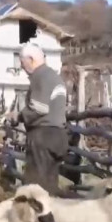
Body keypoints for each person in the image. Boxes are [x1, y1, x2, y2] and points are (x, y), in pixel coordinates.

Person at [9, 42, 70, 196]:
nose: (22, 68)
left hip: (43, 137)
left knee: (35, 188)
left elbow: (39, 108)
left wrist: (18, 116)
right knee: (50, 186)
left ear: (31, 59)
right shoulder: (54, 77)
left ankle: (33, 218)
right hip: (58, 136)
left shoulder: (40, 76)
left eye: (23, 63)